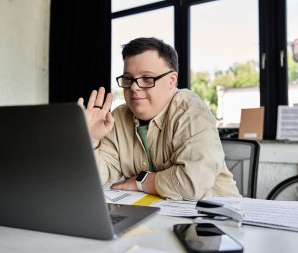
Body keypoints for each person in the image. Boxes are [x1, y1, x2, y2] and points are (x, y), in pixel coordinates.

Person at [78, 37, 240, 200]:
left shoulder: (191, 110)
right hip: (158, 213)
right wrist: (91, 140)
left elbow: (192, 184)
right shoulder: (118, 116)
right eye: (128, 79)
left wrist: (142, 181)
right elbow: (99, 179)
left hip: (218, 216)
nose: (134, 87)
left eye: (147, 78)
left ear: (171, 81)